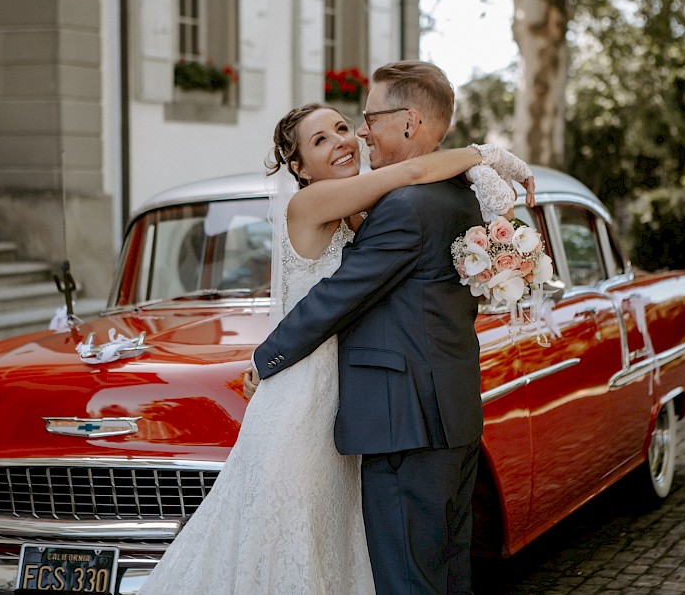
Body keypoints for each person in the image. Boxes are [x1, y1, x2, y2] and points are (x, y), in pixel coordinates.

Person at [137, 96, 534, 594]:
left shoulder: (354, 213)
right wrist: (487, 157)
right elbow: (410, 176)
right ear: (299, 168)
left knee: (341, 535)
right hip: (305, 390)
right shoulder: (311, 201)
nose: (343, 142)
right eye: (320, 140)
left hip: (349, 392)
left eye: (344, 128)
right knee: (291, 532)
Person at [250, 61, 533, 594]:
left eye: (364, 119)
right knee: (447, 574)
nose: (357, 133)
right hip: (449, 416)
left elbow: (338, 296)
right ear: (297, 163)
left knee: (408, 581)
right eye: (330, 132)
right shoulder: (458, 194)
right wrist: (484, 156)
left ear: (407, 124)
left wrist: (264, 359)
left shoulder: (404, 204)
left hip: (406, 424)